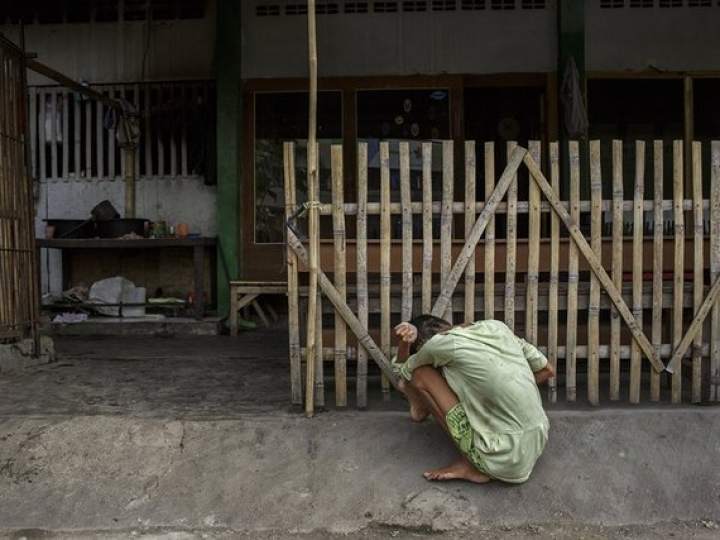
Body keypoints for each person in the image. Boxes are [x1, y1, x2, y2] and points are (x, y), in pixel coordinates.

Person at [393, 315, 554, 484]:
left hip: (503, 458)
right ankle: (420, 407)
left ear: (422, 346)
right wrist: (493, 395)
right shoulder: (497, 326)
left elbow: (402, 370)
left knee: (419, 374)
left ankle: (472, 466)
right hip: (538, 440)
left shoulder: (440, 344)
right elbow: (547, 370)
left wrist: (405, 342)